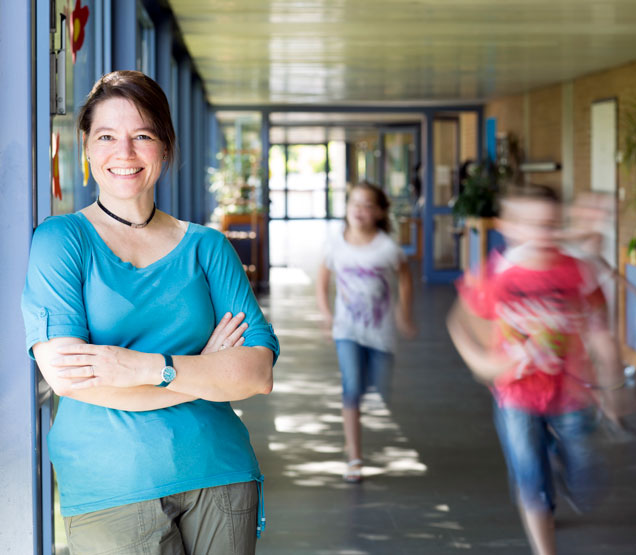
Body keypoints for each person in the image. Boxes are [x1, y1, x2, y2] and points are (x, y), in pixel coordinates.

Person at [21, 71, 279, 555]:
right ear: (86, 147)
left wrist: (141, 367)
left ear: (165, 146)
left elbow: (256, 373)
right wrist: (202, 370)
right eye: (107, 137)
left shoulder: (209, 247)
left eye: (142, 136)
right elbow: (70, 377)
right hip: (110, 486)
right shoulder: (62, 241)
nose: (125, 153)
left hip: (219, 472)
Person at [447, 185, 620, 555]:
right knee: (531, 482)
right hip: (516, 394)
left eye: (551, 225)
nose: (542, 234)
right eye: (532, 225)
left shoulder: (576, 270)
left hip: (570, 393)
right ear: (508, 227)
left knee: (585, 477)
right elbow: (461, 322)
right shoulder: (496, 274)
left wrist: (610, 379)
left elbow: (598, 320)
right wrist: (485, 362)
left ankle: (560, 459)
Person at [316, 181, 417, 483]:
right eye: (354, 204)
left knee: (377, 389)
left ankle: (356, 430)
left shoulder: (387, 248)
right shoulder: (335, 244)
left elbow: (406, 279)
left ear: (379, 212)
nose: (359, 210)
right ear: (346, 208)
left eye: (367, 205)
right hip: (346, 329)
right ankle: (355, 456)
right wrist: (327, 315)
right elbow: (322, 280)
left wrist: (403, 312)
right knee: (352, 387)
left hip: (380, 332)